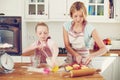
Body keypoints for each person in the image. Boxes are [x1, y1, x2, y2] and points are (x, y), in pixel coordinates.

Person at [63, 1, 107, 66]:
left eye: (81, 16)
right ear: (71, 15)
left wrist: (92, 55)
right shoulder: (66, 26)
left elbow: (104, 48)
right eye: (75, 16)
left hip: (85, 62)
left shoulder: (90, 28)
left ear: (85, 15)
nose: (78, 19)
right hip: (70, 61)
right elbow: (67, 45)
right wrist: (76, 55)